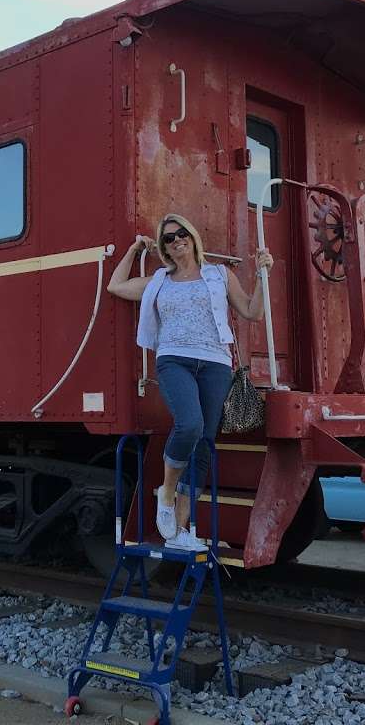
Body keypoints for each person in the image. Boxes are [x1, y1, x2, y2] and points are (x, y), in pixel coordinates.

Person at [107, 214, 274, 551]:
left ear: (193, 237)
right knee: (190, 425)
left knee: (203, 446)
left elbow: (252, 311)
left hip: (215, 364)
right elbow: (116, 286)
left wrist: (261, 273)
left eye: (182, 234)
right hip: (173, 360)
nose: (177, 240)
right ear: (164, 248)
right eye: (168, 238)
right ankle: (166, 492)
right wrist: (134, 248)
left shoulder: (218, 275)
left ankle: (180, 533)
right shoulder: (158, 280)